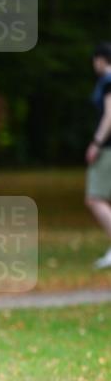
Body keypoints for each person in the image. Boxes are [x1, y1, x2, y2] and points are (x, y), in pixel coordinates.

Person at [85, 42, 111, 269]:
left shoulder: (108, 82)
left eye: (95, 59)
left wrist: (96, 143)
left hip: (108, 148)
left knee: (94, 198)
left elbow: (110, 116)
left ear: (102, 59)